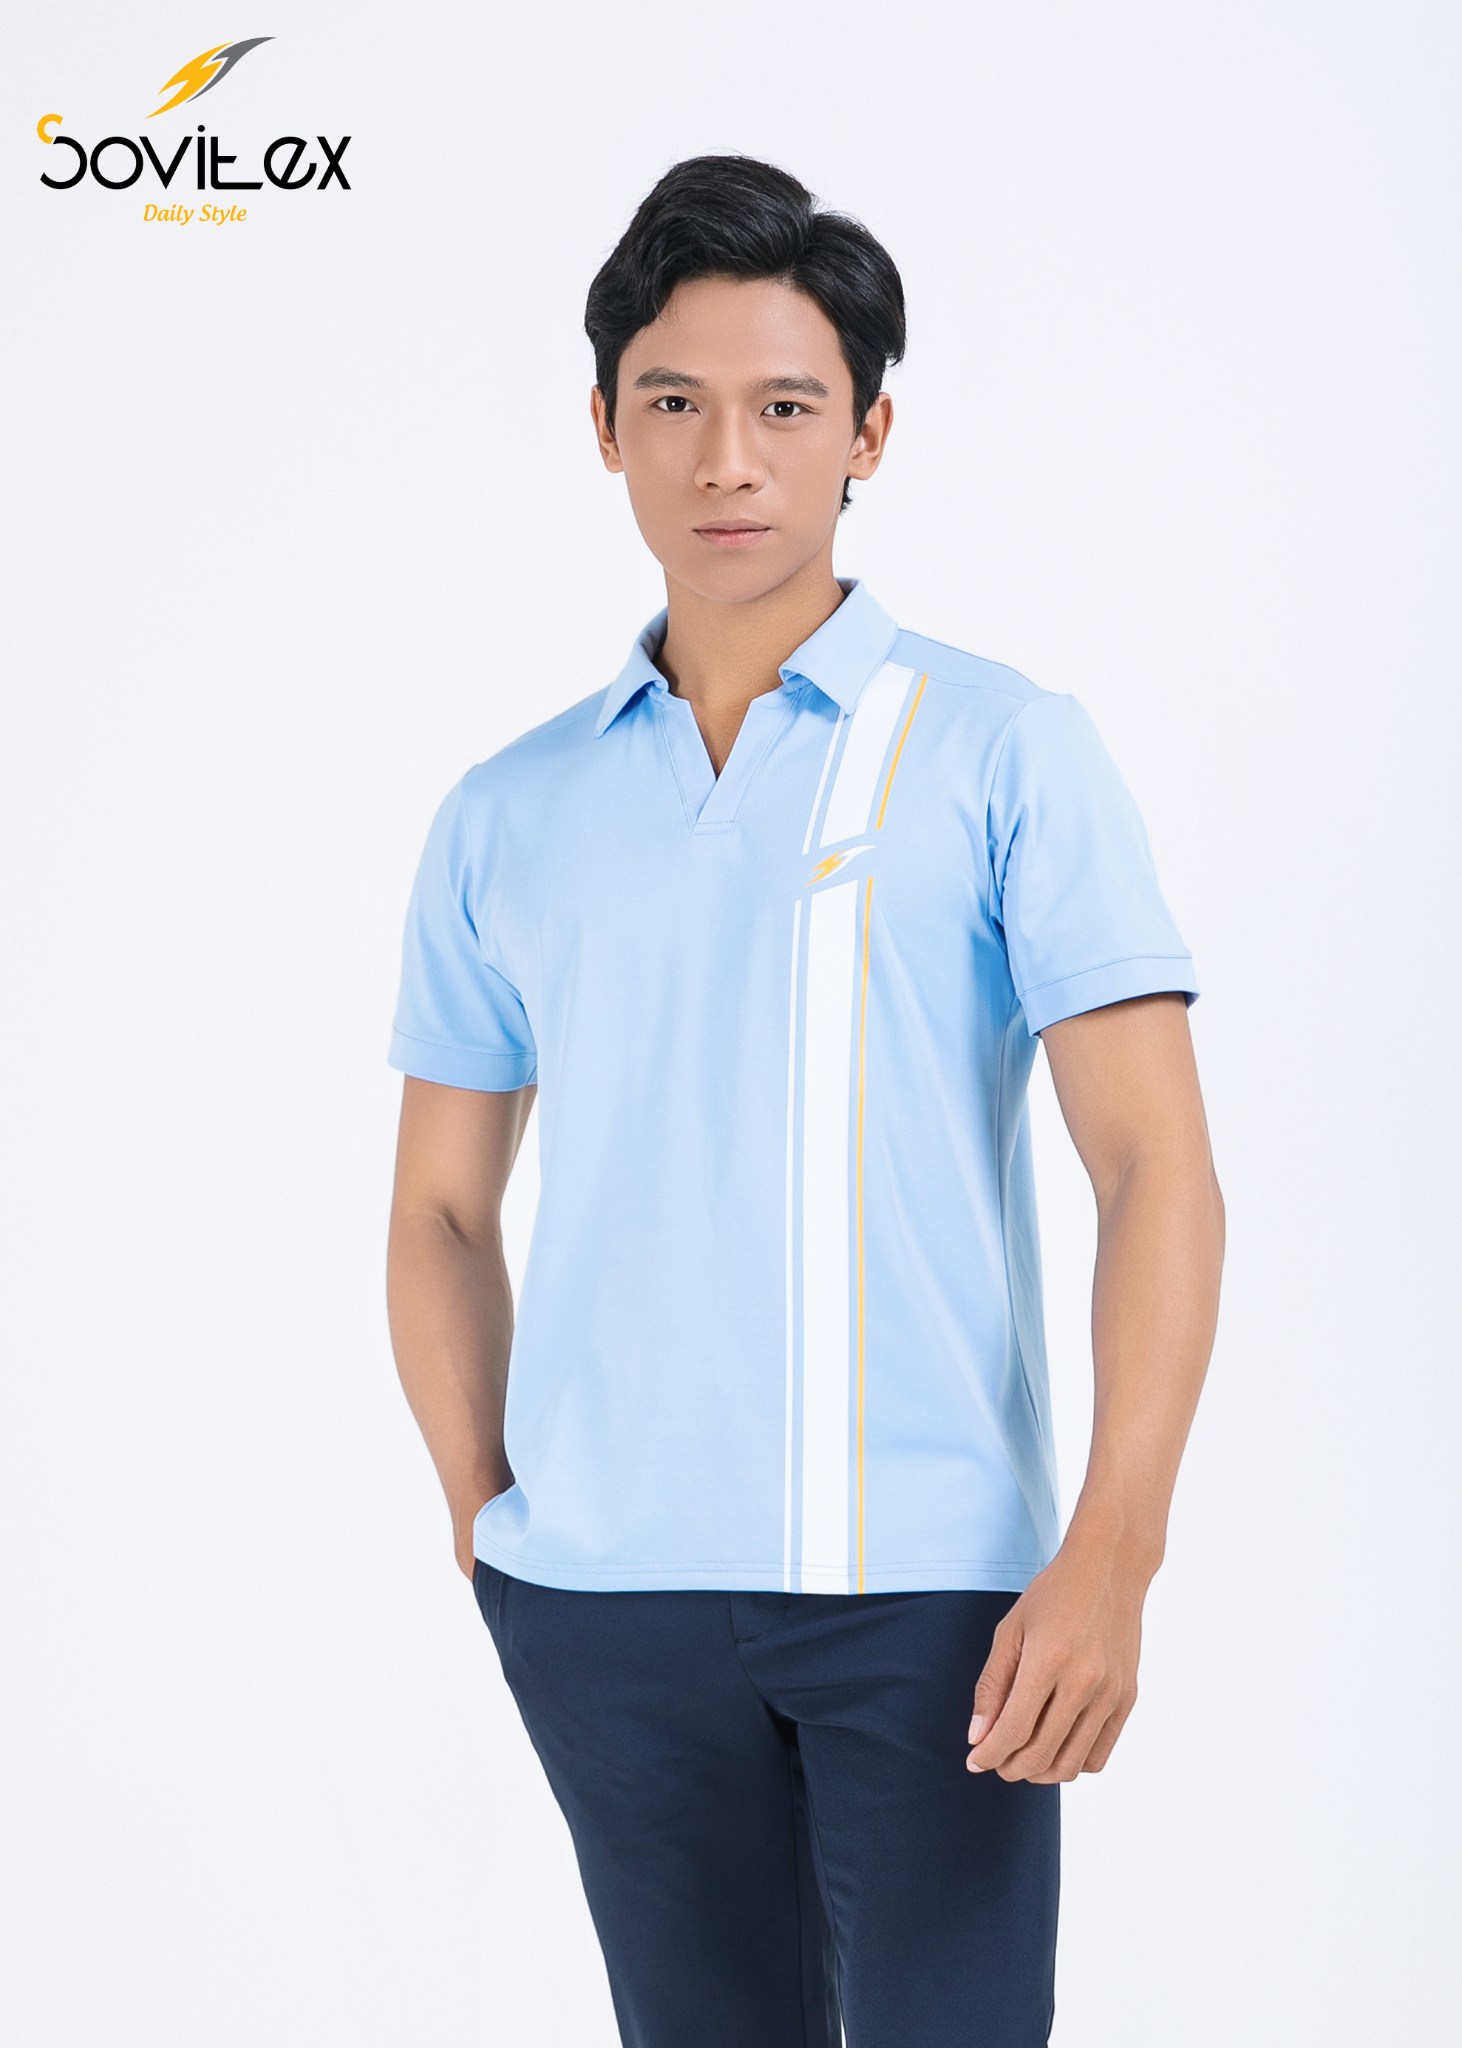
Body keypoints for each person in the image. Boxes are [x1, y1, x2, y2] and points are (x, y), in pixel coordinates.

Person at [386, 155, 1224, 2048]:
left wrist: (1113, 1547)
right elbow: (438, 1206)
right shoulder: (505, 811)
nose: (726, 461)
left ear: (868, 436)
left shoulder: (1004, 749)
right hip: (602, 1602)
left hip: (931, 1601)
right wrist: (490, 1528)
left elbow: (1153, 1163)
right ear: (603, 427)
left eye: (784, 407)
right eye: (672, 402)